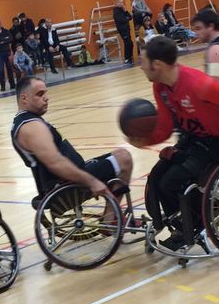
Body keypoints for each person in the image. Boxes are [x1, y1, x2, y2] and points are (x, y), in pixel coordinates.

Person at [131, 36, 219, 250]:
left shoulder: (199, 85)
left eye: (143, 61)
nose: (141, 67)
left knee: (172, 181)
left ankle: (198, 220)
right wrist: (145, 141)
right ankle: (181, 223)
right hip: (194, 140)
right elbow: (166, 127)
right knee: (156, 177)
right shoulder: (161, 87)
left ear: (157, 64)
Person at [11, 77, 133, 209]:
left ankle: (111, 219)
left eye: (46, 93)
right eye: (40, 94)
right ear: (24, 98)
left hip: (67, 179)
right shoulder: (31, 126)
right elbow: (55, 163)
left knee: (119, 153)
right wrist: (92, 181)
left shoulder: (27, 121)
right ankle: (111, 219)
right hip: (65, 186)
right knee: (124, 158)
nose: (46, 98)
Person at [0, 18, 16, 91]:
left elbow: (10, 39)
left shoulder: (6, 31)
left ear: (1, 23)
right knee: (1, 69)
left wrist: (2, 40)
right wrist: (5, 39)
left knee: (9, 68)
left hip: (7, 52)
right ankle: (3, 86)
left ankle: (12, 84)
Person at [113, 0, 134, 65]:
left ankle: (130, 57)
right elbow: (121, 20)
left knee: (130, 43)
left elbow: (130, 17)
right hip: (122, 30)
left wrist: (125, 11)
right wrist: (126, 18)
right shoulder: (115, 10)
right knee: (128, 43)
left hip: (127, 29)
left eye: (122, 2)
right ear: (117, 3)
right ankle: (127, 58)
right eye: (120, 2)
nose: (121, 4)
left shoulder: (123, 10)